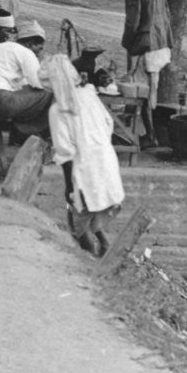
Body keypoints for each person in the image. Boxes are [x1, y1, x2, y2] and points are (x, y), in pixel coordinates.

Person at [41, 54, 125, 257]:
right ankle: (104, 244)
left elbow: (65, 152)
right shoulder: (90, 95)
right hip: (106, 159)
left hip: (83, 168)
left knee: (78, 220)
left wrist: (69, 186)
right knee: (94, 208)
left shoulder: (57, 110)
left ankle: (90, 258)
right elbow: (108, 124)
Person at [121, 0, 173, 148]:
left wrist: (128, 44)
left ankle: (150, 136)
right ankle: (145, 131)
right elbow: (166, 13)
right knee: (151, 89)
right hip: (162, 44)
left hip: (147, 46)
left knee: (143, 91)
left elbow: (132, 22)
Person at [0, 19, 53, 137]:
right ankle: (29, 132)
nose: (39, 53)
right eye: (39, 48)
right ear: (30, 43)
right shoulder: (26, 52)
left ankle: (21, 132)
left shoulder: (0, 47)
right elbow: (39, 84)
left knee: (29, 91)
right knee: (49, 92)